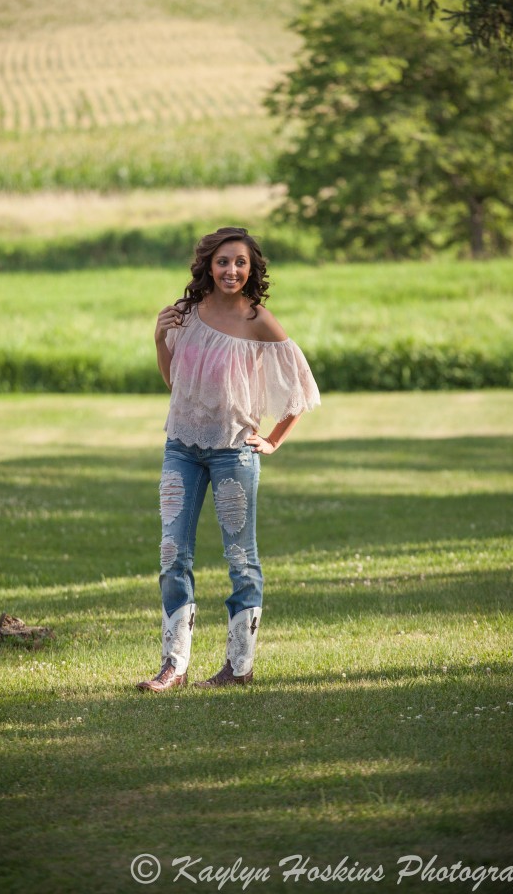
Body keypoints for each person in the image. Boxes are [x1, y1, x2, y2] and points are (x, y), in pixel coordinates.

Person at [137, 226, 320, 692]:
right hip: (182, 445)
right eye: (223, 262)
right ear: (208, 266)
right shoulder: (185, 314)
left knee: (241, 559)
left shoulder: (259, 320)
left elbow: (299, 386)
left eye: (240, 262)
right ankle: (173, 667)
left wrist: (274, 440)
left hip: (233, 451)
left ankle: (238, 668)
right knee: (172, 554)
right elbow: (175, 382)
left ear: (252, 268)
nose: (231, 270)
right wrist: (160, 340)